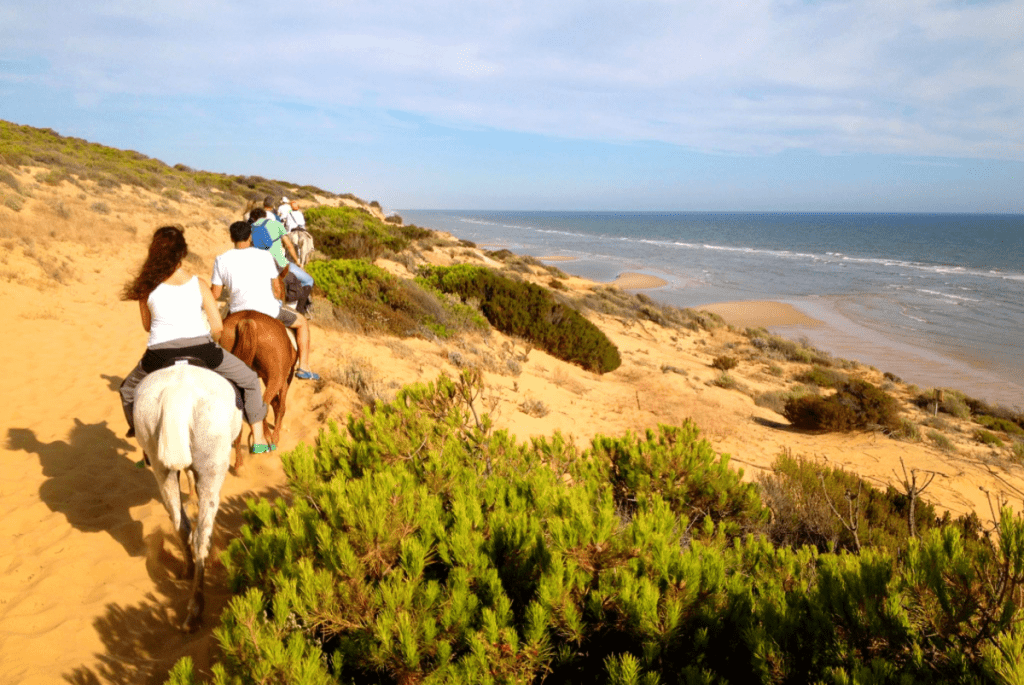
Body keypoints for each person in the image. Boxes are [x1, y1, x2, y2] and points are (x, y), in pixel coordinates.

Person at [119, 226, 273, 453]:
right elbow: (217, 326)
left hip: (159, 353)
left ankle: (140, 433)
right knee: (249, 379)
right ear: (182, 253)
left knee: (127, 390)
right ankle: (258, 437)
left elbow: (147, 326)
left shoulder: (147, 287)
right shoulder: (199, 284)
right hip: (201, 350)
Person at [212, 221, 320, 380]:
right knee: (302, 322)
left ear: (231, 237)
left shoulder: (221, 259)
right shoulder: (266, 255)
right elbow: (277, 289)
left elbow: (215, 294)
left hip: (236, 311)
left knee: (216, 331)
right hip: (268, 310)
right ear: (250, 237)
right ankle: (303, 367)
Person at [249, 205, 315, 315]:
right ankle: (300, 311)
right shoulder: (277, 225)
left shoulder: (251, 228)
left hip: (259, 266)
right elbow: (289, 245)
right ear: (265, 216)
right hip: (281, 265)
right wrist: (297, 261)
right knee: (309, 281)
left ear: (253, 218)